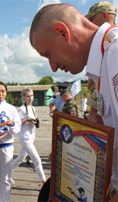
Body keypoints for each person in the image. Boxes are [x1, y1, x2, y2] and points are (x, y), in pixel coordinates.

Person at [29, 3, 118, 201]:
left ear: (62, 32)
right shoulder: (105, 59)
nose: (52, 67)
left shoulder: (115, 54)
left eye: (48, 54)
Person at [85, 1, 116, 123]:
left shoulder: (111, 44)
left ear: (105, 16)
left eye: (92, 19)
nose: (90, 24)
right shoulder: (102, 44)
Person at [11, 86, 46, 184]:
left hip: (31, 136)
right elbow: (17, 123)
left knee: (20, 158)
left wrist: (36, 121)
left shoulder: (33, 108)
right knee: (36, 159)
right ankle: (44, 181)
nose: (30, 98)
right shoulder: (21, 109)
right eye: (28, 96)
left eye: (31, 96)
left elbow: (33, 120)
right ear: (23, 97)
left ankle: (6, 174)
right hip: (25, 137)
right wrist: (27, 120)